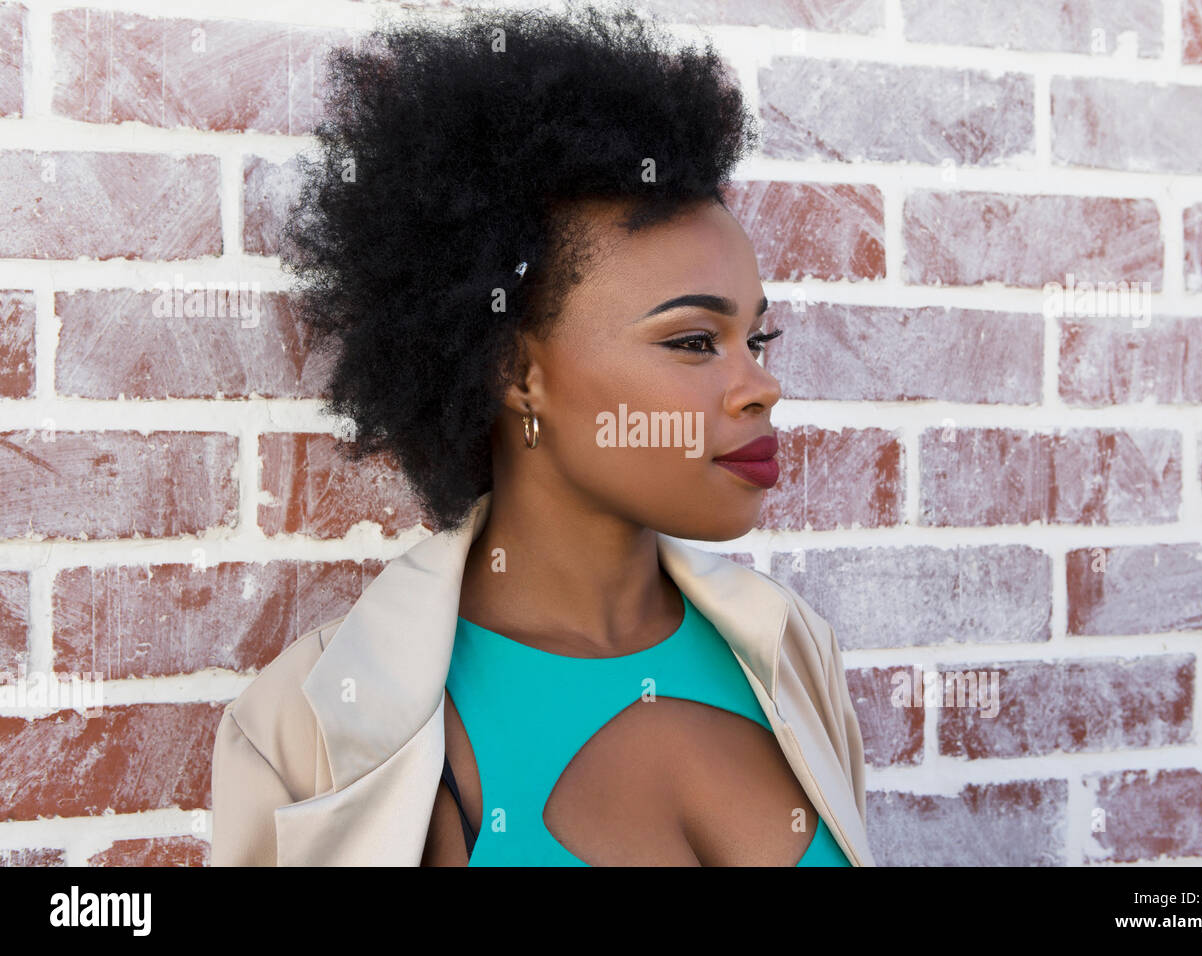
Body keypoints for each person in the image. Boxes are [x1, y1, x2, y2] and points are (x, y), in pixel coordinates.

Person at [210, 0, 873, 867]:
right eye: (691, 342)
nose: (760, 386)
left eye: (757, 338)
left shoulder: (790, 652)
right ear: (519, 374)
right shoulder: (316, 724)